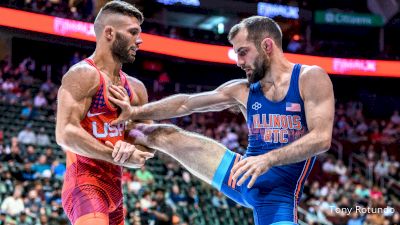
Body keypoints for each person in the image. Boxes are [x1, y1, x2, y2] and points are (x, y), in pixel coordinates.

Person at [109, 16, 334, 225]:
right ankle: (104, 134)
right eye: (237, 53)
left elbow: (321, 139)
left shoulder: (310, 77)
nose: (238, 61)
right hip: (241, 175)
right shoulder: (242, 90)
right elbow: (185, 104)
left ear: (267, 46)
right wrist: (134, 112)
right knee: (162, 134)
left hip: (277, 199)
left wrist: (267, 160)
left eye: (243, 52)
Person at [55, 1, 154, 225]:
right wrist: (118, 155)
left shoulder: (136, 88)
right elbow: (65, 133)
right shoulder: (83, 75)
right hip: (85, 185)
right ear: (109, 32)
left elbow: (149, 140)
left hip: (116, 193)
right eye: (133, 32)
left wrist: (135, 149)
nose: (139, 40)